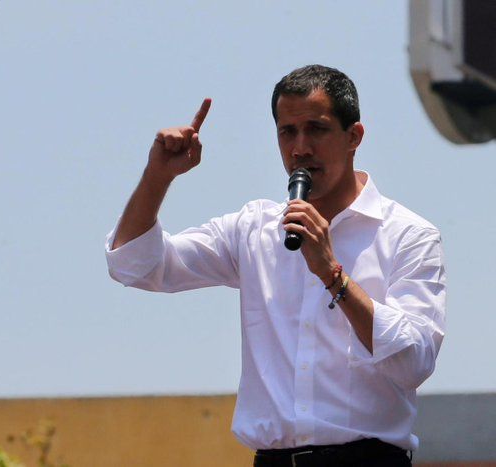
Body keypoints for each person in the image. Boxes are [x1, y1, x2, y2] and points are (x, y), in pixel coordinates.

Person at [105, 65, 446, 466]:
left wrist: (332, 275)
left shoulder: (408, 235)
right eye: (287, 132)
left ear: (353, 136)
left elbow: (414, 362)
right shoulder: (254, 229)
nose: (300, 148)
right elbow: (134, 265)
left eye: (316, 129)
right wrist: (157, 176)